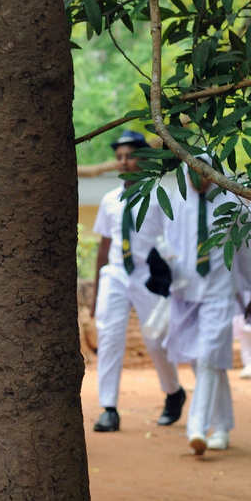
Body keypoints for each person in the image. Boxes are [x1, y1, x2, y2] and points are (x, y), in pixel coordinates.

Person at [158, 158, 251, 455]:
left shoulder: (233, 204)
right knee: (201, 361)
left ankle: (197, 428)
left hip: (219, 292)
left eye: (204, 172)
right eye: (192, 172)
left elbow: (248, 252)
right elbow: (169, 245)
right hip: (186, 293)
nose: (199, 179)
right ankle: (222, 427)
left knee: (209, 357)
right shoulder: (177, 201)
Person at [89, 130, 184, 432]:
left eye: (130, 156)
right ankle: (109, 408)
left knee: (155, 339)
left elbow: (174, 242)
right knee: (109, 337)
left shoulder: (159, 197)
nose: (123, 162)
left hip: (148, 275)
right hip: (116, 274)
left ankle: (173, 391)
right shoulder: (109, 200)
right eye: (119, 157)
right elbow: (104, 246)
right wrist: (95, 293)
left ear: (144, 159)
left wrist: (172, 281)